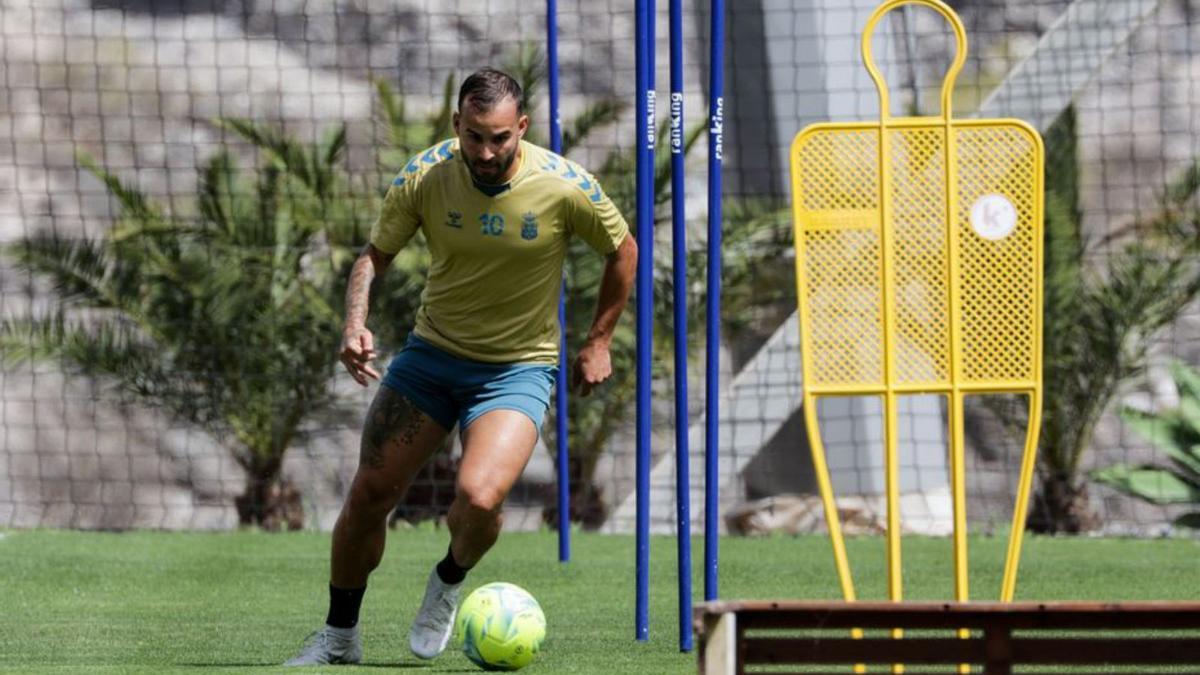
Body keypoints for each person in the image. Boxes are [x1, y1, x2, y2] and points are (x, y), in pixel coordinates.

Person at [285, 67, 637, 666]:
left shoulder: (564, 185)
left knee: (478, 497)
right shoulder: (425, 175)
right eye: (474, 136)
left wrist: (599, 339)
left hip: (517, 369)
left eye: (500, 137)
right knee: (370, 492)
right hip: (430, 359)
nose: (486, 151)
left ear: (521, 128)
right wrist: (354, 325)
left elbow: (622, 251)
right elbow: (374, 257)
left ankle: (448, 582)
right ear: (457, 125)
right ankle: (339, 636)